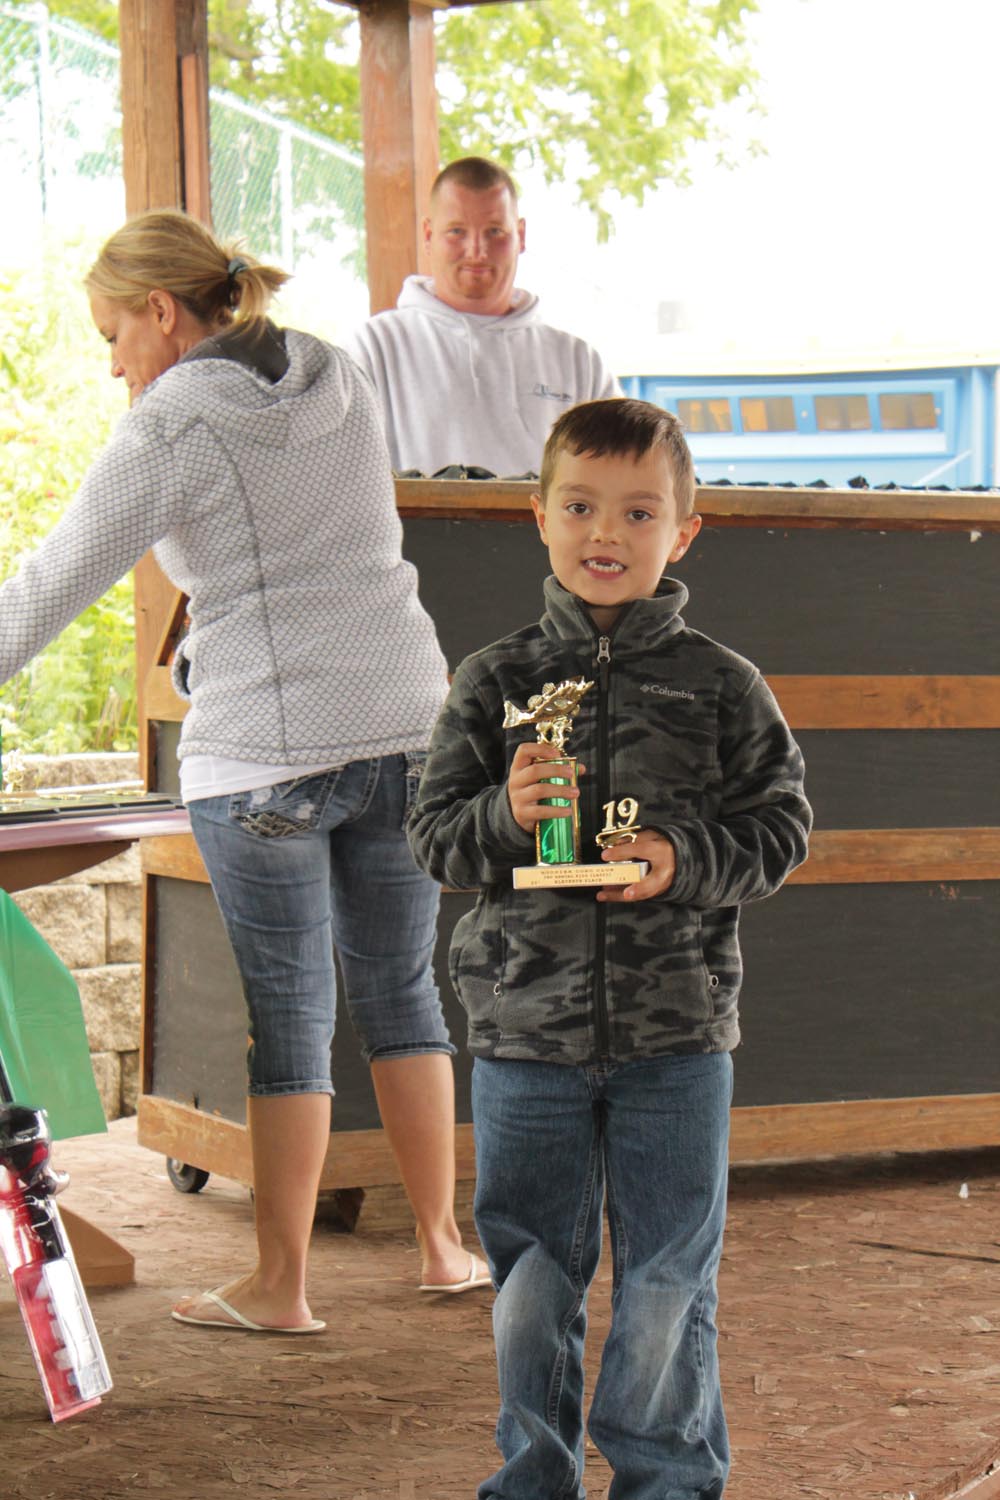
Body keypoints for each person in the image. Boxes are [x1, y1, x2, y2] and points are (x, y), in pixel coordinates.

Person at [0, 209, 490, 1334]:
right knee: (405, 995)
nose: (112, 362)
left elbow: (49, 585)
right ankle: (441, 1247)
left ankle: (281, 1288)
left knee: (290, 1015)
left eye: (113, 334)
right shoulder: (337, 371)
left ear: (161, 312)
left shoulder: (173, 421)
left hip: (269, 753)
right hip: (408, 726)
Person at [407, 399, 812, 1497]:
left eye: (639, 512)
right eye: (581, 506)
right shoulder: (492, 681)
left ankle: (667, 1483)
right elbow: (433, 838)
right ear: (538, 516)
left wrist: (683, 858)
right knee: (532, 1277)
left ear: (683, 532)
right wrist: (504, 813)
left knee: (670, 1279)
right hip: (521, 1037)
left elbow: (780, 830)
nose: (606, 532)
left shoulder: (724, 685)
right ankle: (534, 1479)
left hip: (678, 1038)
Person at [347, 156, 621, 477]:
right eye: (456, 231)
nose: (477, 251)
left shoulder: (580, 362)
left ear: (521, 235)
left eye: (494, 231)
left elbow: (624, 475)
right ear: (428, 235)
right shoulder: (373, 347)